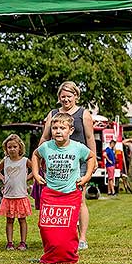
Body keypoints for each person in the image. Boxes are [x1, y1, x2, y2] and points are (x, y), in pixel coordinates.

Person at [38, 81, 95, 250]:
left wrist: (95, 158)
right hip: (56, 160)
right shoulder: (53, 114)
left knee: (80, 199)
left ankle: (82, 238)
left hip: (79, 160)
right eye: (62, 96)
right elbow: (45, 136)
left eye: (69, 96)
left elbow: (90, 137)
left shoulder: (83, 114)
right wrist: (39, 154)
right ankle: (62, 235)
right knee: (57, 200)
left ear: (76, 96)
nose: (65, 99)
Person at [32, 112, 95, 264]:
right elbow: (35, 155)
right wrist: (35, 173)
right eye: (54, 128)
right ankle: (50, 255)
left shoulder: (78, 147)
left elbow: (91, 157)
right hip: (50, 193)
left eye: (62, 128)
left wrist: (86, 177)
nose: (58, 131)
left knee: (67, 228)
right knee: (46, 226)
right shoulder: (46, 147)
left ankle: (68, 256)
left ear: (71, 131)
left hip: (70, 193)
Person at [0, 134, 33, 251]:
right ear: (6, 149)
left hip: (21, 195)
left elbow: (35, 170)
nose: (12, 149)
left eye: (14, 146)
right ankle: (9, 243)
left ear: (20, 147)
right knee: (9, 220)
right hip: (8, 196)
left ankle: (23, 242)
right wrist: (3, 179)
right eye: (9, 147)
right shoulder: (5, 161)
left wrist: (26, 178)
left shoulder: (25, 161)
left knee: (22, 220)